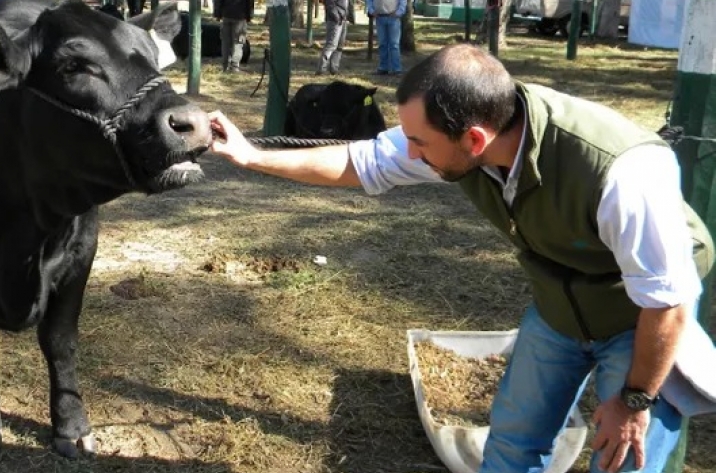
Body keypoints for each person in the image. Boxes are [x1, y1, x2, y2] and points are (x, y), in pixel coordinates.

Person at [208, 43, 716, 473]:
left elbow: (667, 302)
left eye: (418, 143)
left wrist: (633, 401)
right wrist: (250, 155)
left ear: (474, 139)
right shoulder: (473, 136)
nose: (409, 155)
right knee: (511, 447)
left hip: (642, 316)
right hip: (559, 306)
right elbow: (358, 162)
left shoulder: (622, 173)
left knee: (624, 458)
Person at [213, 0, 253, 73]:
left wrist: (218, 14)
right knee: (237, 42)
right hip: (240, 15)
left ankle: (225, 66)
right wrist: (249, 16)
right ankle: (234, 67)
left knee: (225, 42)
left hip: (226, 14)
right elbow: (250, 2)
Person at [366, 0, 405, 75]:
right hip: (380, 17)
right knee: (382, 44)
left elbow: (403, 1)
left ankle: (396, 69)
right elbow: (369, 1)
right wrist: (371, 10)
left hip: (394, 18)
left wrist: (399, 12)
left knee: (394, 44)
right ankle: (383, 68)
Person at [316, 0, 349, 75]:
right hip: (334, 20)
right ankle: (321, 69)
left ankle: (334, 68)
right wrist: (336, 16)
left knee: (340, 46)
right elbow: (329, 3)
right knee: (331, 45)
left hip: (343, 18)